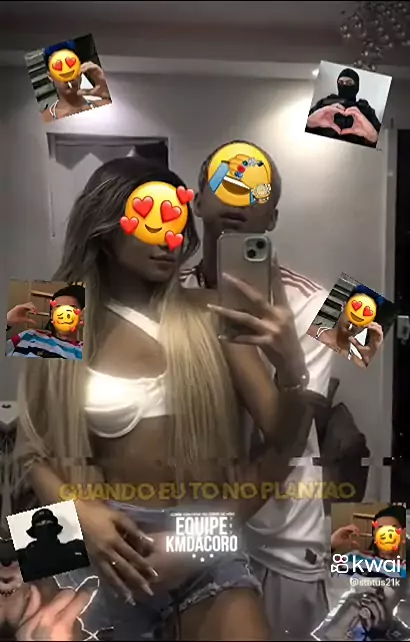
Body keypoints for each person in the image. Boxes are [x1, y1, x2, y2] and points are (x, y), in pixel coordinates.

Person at [15, 157, 314, 641]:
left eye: (177, 224)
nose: (169, 239)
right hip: (88, 529)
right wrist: (83, 518)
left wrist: (291, 365)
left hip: (199, 532)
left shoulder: (212, 311)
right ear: (105, 226)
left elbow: (284, 444)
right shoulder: (47, 312)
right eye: (152, 220)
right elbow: (31, 450)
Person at [181, 140, 334, 640]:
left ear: (272, 218)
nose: (239, 197)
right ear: (196, 201)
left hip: (283, 541)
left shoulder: (323, 306)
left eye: (256, 192)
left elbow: (286, 440)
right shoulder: (170, 293)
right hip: (190, 524)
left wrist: (288, 362)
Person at [306, 67, 381, 148]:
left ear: (356, 86)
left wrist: (373, 137)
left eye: (349, 83)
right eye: (341, 83)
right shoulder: (325, 103)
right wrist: (309, 123)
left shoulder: (365, 108)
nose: (344, 86)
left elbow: (383, 141)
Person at [6, 284, 85, 359]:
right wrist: (6, 322)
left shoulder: (85, 351)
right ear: (52, 316)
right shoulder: (29, 335)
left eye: (71, 308)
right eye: (58, 308)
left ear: (81, 316)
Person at [41, 40, 111, 123]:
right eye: (58, 66)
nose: (67, 72)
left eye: (71, 64)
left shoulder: (104, 106)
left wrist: (109, 94)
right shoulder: (43, 119)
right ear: (50, 76)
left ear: (79, 68)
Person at [16, 508, 90, 583]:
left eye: (48, 523)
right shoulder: (23, 557)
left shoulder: (76, 549)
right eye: (40, 524)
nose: (45, 525)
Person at [307, 302, 384, 368]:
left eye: (366, 316)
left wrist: (369, 363)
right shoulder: (308, 331)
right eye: (355, 308)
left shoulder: (357, 365)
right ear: (343, 306)